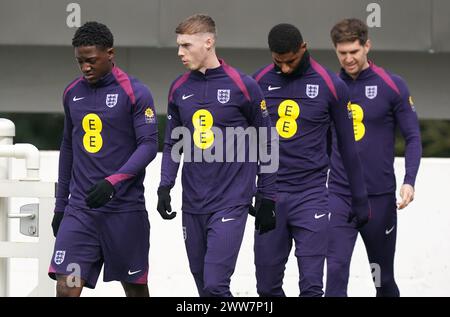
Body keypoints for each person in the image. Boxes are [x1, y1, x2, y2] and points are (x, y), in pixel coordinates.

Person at [156, 14, 277, 297]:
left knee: (215, 285)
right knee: (203, 287)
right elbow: (173, 142)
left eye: (186, 45)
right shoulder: (178, 88)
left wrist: (267, 195)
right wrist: (165, 185)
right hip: (193, 203)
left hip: (231, 202)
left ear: (208, 42)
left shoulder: (243, 85)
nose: (179, 53)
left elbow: (267, 140)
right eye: (178, 45)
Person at [252, 23, 369, 297]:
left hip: (312, 195)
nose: (285, 68)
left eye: (291, 61)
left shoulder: (331, 85)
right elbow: (243, 141)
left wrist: (360, 199)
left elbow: (348, 148)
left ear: (303, 48)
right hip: (270, 195)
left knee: (312, 287)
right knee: (266, 287)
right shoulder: (256, 82)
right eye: (278, 62)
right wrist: (248, 191)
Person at [48, 21, 158, 297]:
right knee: (66, 287)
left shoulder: (135, 92)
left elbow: (148, 145)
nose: (85, 68)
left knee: (135, 289)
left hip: (124, 211)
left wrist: (113, 182)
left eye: (91, 61)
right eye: (80, 62)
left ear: (110, 53)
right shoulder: (72, 93)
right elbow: (68, 148)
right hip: (81, 213)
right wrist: (61, 205)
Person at [326, 18, 422, 297]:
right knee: (335, 272)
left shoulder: (392, 85)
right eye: (342, 53)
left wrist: (409, 180)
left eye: (354, 52)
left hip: (378, 199)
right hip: (339, 196)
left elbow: (413, 137)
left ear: (367, 45)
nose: (348, 59)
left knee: (382, 279)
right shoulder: (329, 88)